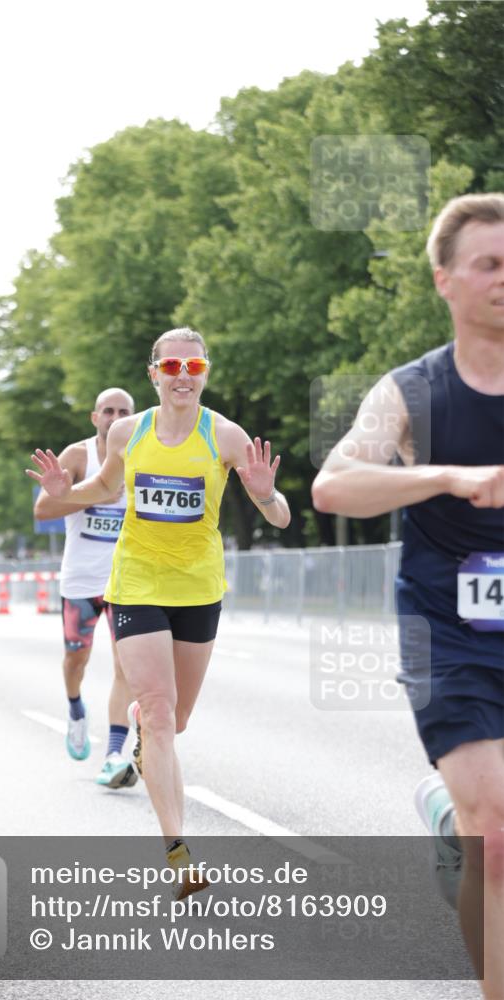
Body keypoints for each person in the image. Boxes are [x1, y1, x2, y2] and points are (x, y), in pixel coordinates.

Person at [311, 193, 504, 999]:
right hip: (450, 629)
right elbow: (333, 484)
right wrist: (444, 476)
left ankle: (449, 819)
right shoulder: (411, 393)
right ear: (443, 281)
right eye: (488, 264)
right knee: (496, 832)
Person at [27, 327, 291, 898]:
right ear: (154, 373)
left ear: (205, 373)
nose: (181, 376)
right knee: (159, 713)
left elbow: (281, 519)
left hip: (197, 590)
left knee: (178, 719)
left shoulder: (225, 436)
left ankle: (147, 743)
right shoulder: (128, 431)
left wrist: (267, 493)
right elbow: (99, 488)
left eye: (192, 367)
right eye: (171, 366)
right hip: (136, 584)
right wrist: (60, 491)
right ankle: (178, 851)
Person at [33, 387, 138, 790]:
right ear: (95, 417)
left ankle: (113, 755)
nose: (114, 417)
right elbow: (43, 509)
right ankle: (76, 709)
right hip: (80, 580)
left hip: (126, 583)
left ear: (131, 418)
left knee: (125, 667)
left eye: (123, 411)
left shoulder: (142, 454)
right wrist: (93, 493)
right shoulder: (78, 457)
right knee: (76, 659)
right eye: (108, 410)